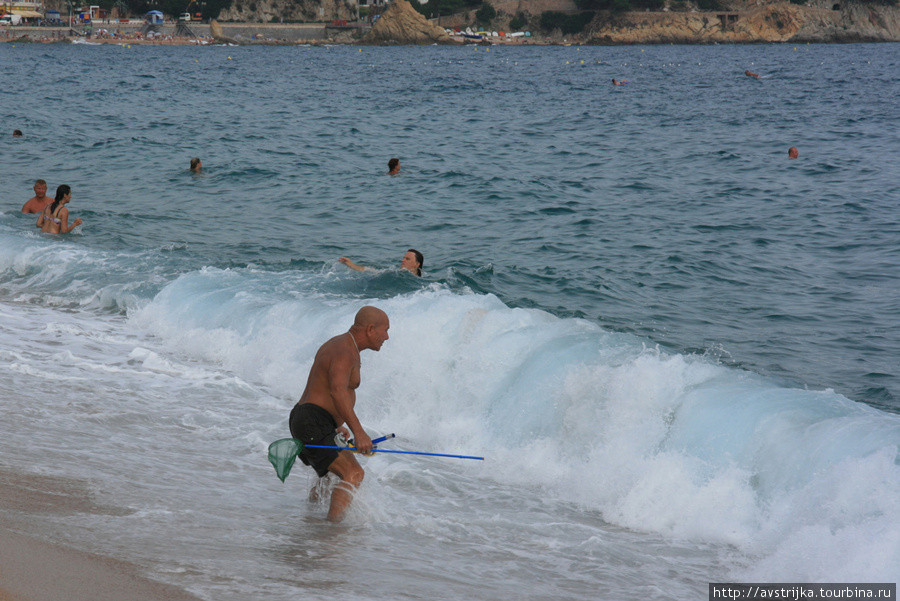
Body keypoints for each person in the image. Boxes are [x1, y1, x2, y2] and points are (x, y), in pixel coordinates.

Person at [289, 306, 390, 522]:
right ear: (371, 329)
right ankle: (331, 534)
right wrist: (359, 432)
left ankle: (309, 524)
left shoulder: (343, 345)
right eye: (385, 330)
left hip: (312, 419)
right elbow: (337, 391)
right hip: (311, 420)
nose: (387, 337)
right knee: (353, 474)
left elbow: (324, 390)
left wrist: (333, 425)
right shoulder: (345, 350)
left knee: (332, 476)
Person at [339, 248, 424, 277]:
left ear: (417, 264)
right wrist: (352, 265)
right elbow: (370, 270)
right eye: (403, 258)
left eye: (407, 259)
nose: (403, 260)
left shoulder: (419, 281)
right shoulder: (396, 273)